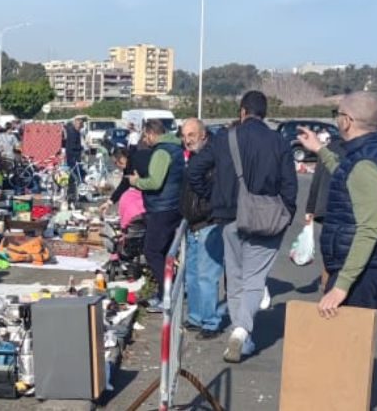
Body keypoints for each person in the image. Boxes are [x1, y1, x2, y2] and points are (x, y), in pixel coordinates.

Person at [188, 91, 297, 363]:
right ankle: (241, 331)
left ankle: (241, 337)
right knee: (254, 279)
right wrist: (287, 213)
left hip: (229, 217)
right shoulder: (278, 141)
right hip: (267, 219)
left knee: (235, 279)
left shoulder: (224, 138)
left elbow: (194, 170)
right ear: (264, 112)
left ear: (242, 111)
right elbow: (290, 186)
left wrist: (213, 197)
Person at [297, 92, 377, 317]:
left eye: (338, 114)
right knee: (346, 348)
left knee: (346, 348)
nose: (337, 119)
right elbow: (349, 176)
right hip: (360, 269)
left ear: (347, 121)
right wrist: (320, 150)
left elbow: (369, 230)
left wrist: (340, 287)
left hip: (360, 275)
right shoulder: (373, 151)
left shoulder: (365, 163)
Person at [127, 119, 185, 312]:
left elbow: (155, 182)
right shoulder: (175, 148)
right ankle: (163, 292)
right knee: (163, 252)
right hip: (172, 206)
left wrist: (137, 182)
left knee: (152, 251)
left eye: (145, 136)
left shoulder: (162, 151)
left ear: (151, 134)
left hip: (162, 208)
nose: (145, 140)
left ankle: (168, 294)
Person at [179, 118, 224, 340]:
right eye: (185, 136)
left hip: (209, 222)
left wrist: (206, 209)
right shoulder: (193, 157)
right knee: (193, 274)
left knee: (207, 275)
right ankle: (196, 316)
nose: (187, 140)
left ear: (203, 135)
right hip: (193, 221)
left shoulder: (213, 158)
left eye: (192, 135)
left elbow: (213, 190)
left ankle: (210, 321)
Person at [305, 130, 346, 226]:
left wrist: (310, 209)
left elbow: (316, 182)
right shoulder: (358, 150)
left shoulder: (327, 149)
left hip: (325, 208)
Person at [63, 116, 85, 204]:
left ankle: (74, 195)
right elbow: (72, 146)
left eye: (81, 124)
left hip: (75, 157)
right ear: (76, 123)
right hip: (72, 157)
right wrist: (81, 148)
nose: (81, 126)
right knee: (75, 176)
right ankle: (74, 195)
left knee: (75, 177)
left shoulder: (76, 131)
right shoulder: (72, 132)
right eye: (80, 124)